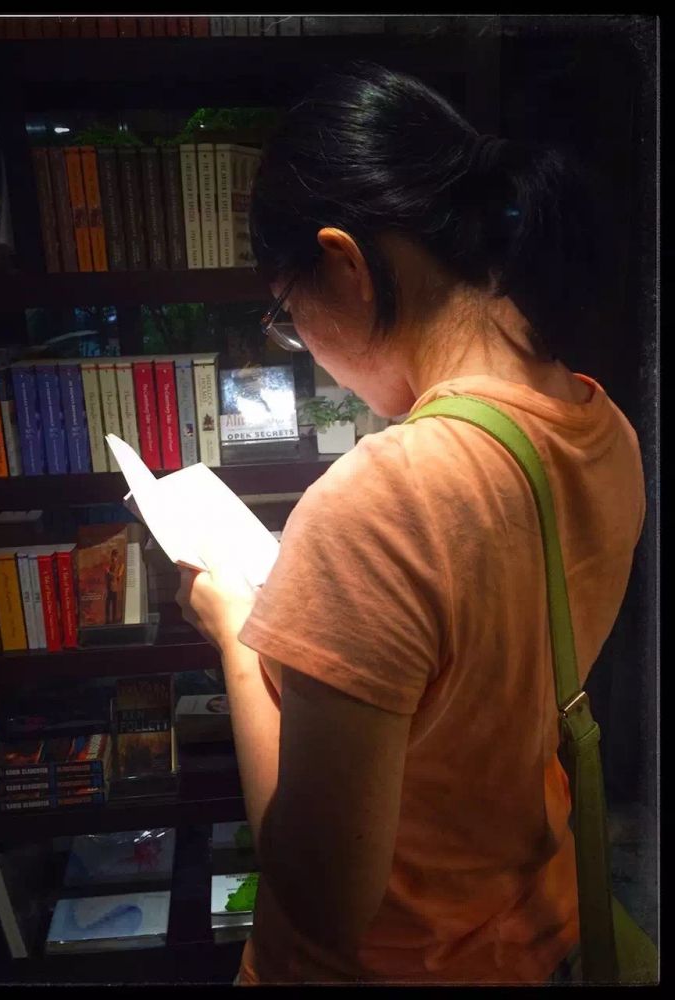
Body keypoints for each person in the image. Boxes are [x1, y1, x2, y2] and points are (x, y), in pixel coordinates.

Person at [175, 63, 644, 985]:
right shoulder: (603, 427)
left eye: (288, 316)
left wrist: (235, 634)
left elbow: (319, 911)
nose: (305, 345)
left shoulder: (383, 501)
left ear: (343, 265)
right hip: (539, 932)